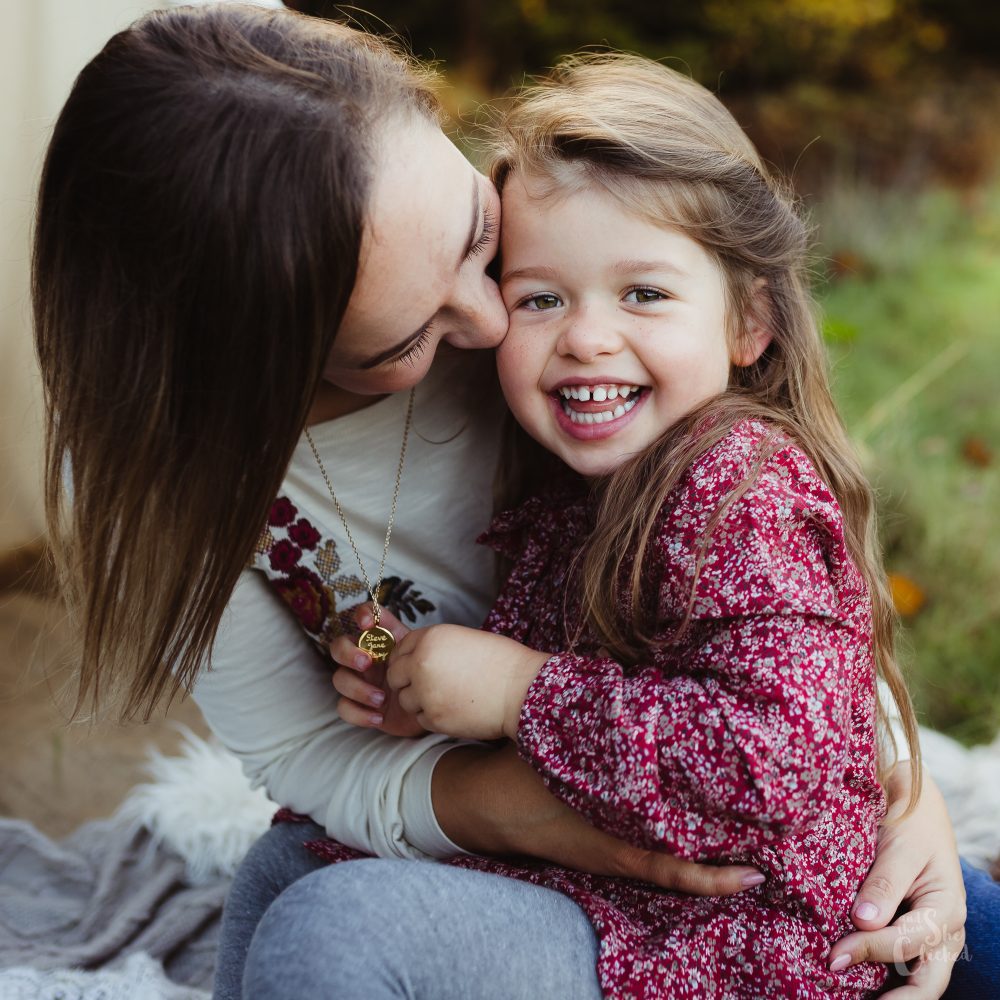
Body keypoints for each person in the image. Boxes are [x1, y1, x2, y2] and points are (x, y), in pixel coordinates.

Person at [28, 5, 982, 999]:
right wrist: (422, 696)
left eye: (483, 247)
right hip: (613, 843)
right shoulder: (178, 487)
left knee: (330, 929)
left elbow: (779, 663)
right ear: (264, 361)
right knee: (281, 871)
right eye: (406, 339)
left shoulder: (635, 389)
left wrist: (899, 786)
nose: (493, 325)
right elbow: (324, 754)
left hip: (730, 908)